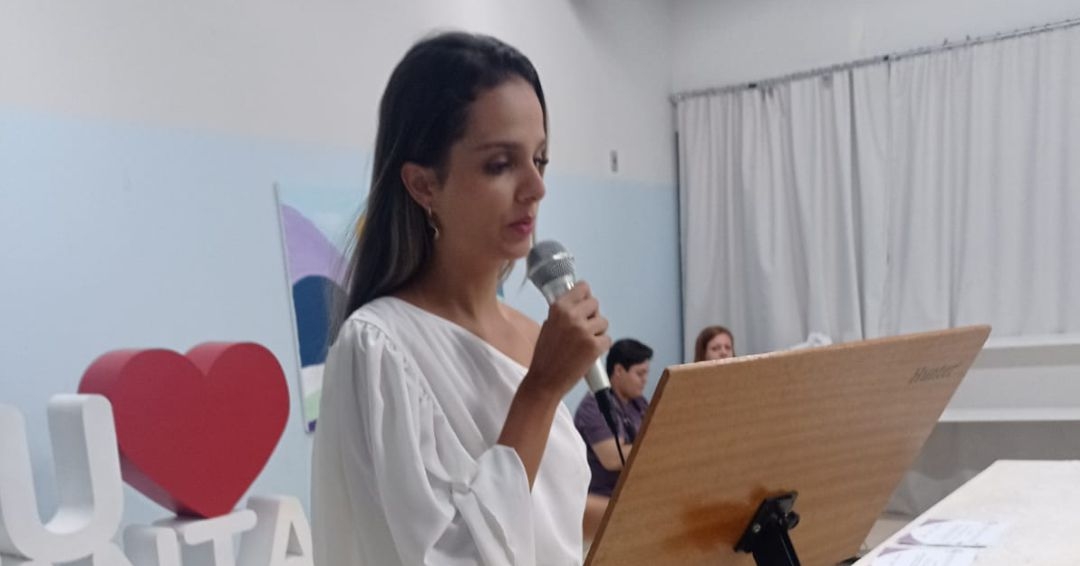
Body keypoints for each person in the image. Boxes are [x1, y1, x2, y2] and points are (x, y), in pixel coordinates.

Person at [311, 32, 610, 566]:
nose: (536, 187)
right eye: (501, 164)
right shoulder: (378, 347)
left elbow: (540, 508)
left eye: (540, 159)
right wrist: (540, 391)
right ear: (423, 185)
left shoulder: (532, 334)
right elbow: (447, 555)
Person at [573, 338, 653, 537]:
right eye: (640, 373)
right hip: (602, 506)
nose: (645, 380)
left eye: (646, 373)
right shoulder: (593, 407)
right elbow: (613, 458)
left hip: (635, 497)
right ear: (618, 371)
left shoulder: (639, 403)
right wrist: (656, 447)